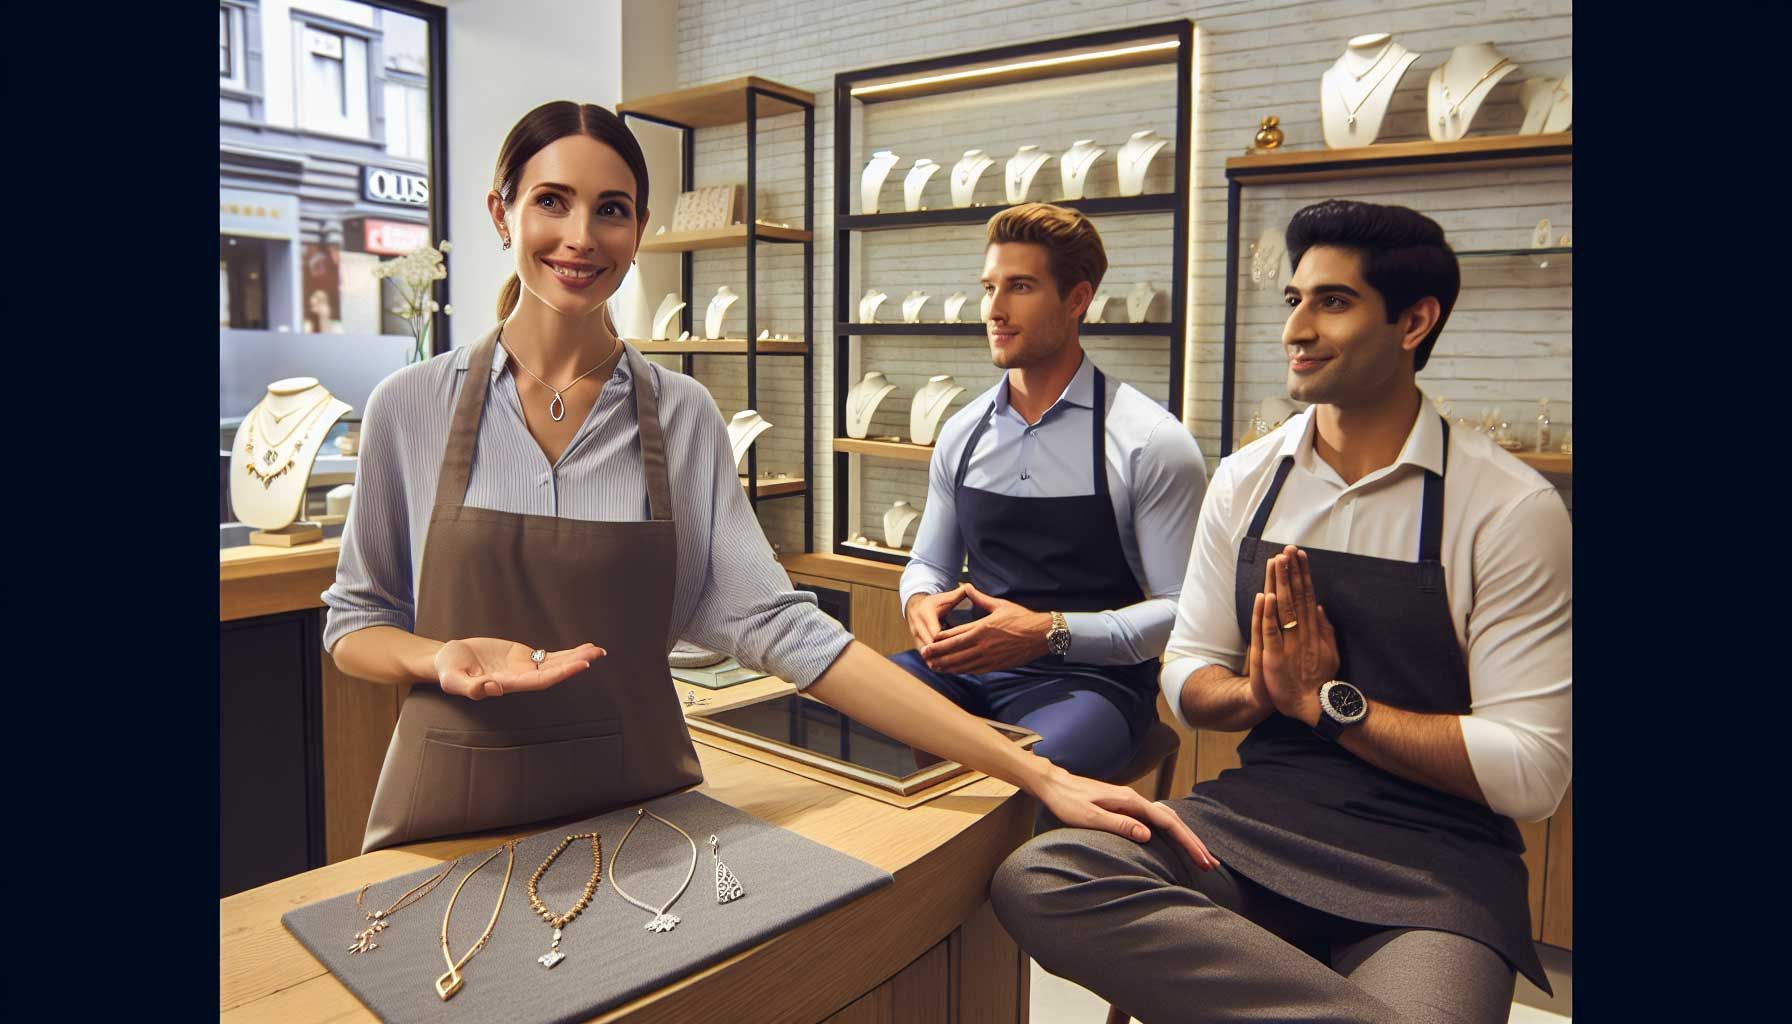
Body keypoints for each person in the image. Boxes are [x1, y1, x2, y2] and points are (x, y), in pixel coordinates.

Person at [320, 101, 1211, 868]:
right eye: (551, 201)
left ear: (639, 231)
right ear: (500, 211)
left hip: (637, 813)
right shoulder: (410, 406)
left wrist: (1038, 771)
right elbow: (356, 624)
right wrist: (437, 658)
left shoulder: (683, 415)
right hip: (449, 806)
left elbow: (784, 628)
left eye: (614, 209)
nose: (582, 237)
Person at [990, 199, 1572, 1024]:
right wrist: (1260, 694)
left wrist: (1331, 706)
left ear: (1414, 320)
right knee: (1045, 875)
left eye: (1333, 302)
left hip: (1437, 865)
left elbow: (1532, 771)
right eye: (1294, 300)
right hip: (1254, 823)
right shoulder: (1247, 479)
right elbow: (1186, 675)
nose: (1297, 326)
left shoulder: (1508, 509)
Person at [893, 203, 1207, 785]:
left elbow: (1181, 609)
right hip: (964, 669)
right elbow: (928, 564)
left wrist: (1050, 632)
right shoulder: (961, 433)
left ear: (1077, 299)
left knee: (1022, 782)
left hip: (1091, 684)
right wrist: (919, 603)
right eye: (989, 287)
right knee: (846, 719)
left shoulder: (1151, 442)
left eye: (1020, 287)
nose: (995, 309)